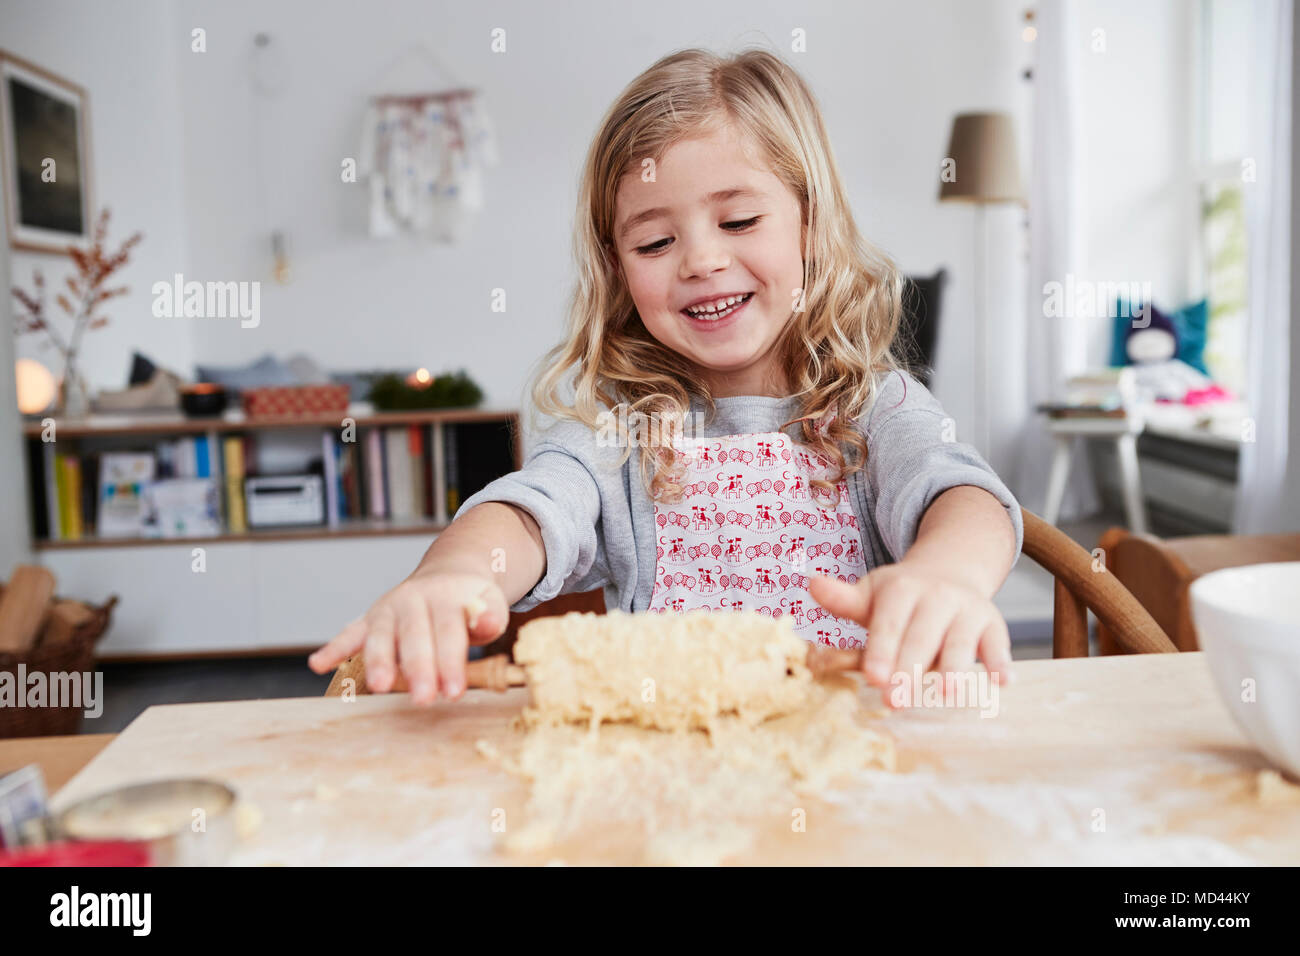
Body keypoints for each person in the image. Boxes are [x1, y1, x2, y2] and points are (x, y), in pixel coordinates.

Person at [310, 47, 1023, 707]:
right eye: (655, 240)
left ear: (809, 225)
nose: (701, 261)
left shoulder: (875, 408)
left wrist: (949, 574)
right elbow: (530, 511)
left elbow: (960, 493)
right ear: (619, 266)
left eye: (739, 220)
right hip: (668, 770)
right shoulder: (618, 429)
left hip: (848, 751)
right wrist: (454, 575)